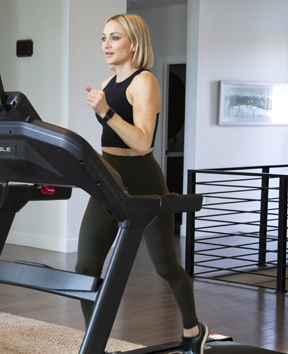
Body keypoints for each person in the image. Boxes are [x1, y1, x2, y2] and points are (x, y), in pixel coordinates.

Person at [76, 14, 209, 354]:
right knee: (85, 266)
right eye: (104, 37)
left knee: (164, 265)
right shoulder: (107, 84)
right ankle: (97, 342)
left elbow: (143, 142)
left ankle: (194, 329)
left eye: (115, 38)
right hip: (109, 176)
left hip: (143, 178)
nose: (106, 45)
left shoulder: (145, 81)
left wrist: (106, 112)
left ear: (133, 42)